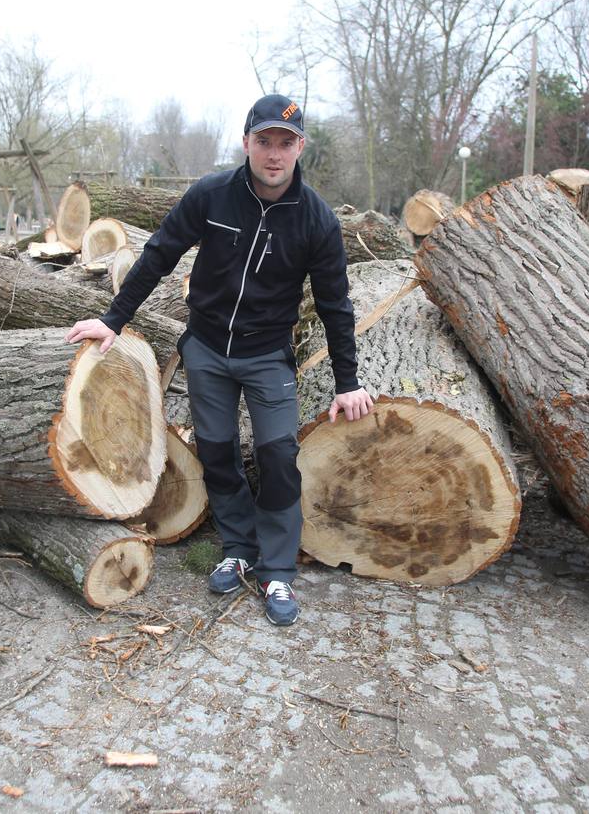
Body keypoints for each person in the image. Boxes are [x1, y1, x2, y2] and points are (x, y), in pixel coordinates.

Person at [66, 94, 373, 626]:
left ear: (300, 147)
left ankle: (276, 569)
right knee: (217, 448)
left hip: (266, 356)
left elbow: (334, 304)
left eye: (286, 143)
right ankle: (237, 546)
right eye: (264, 141)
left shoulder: (317, 220)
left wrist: (347, 379)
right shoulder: (211, 196)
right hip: (206, 349)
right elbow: (159, 254)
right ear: (247, 142)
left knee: (277, 454)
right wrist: (112, 320)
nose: (274, 154)